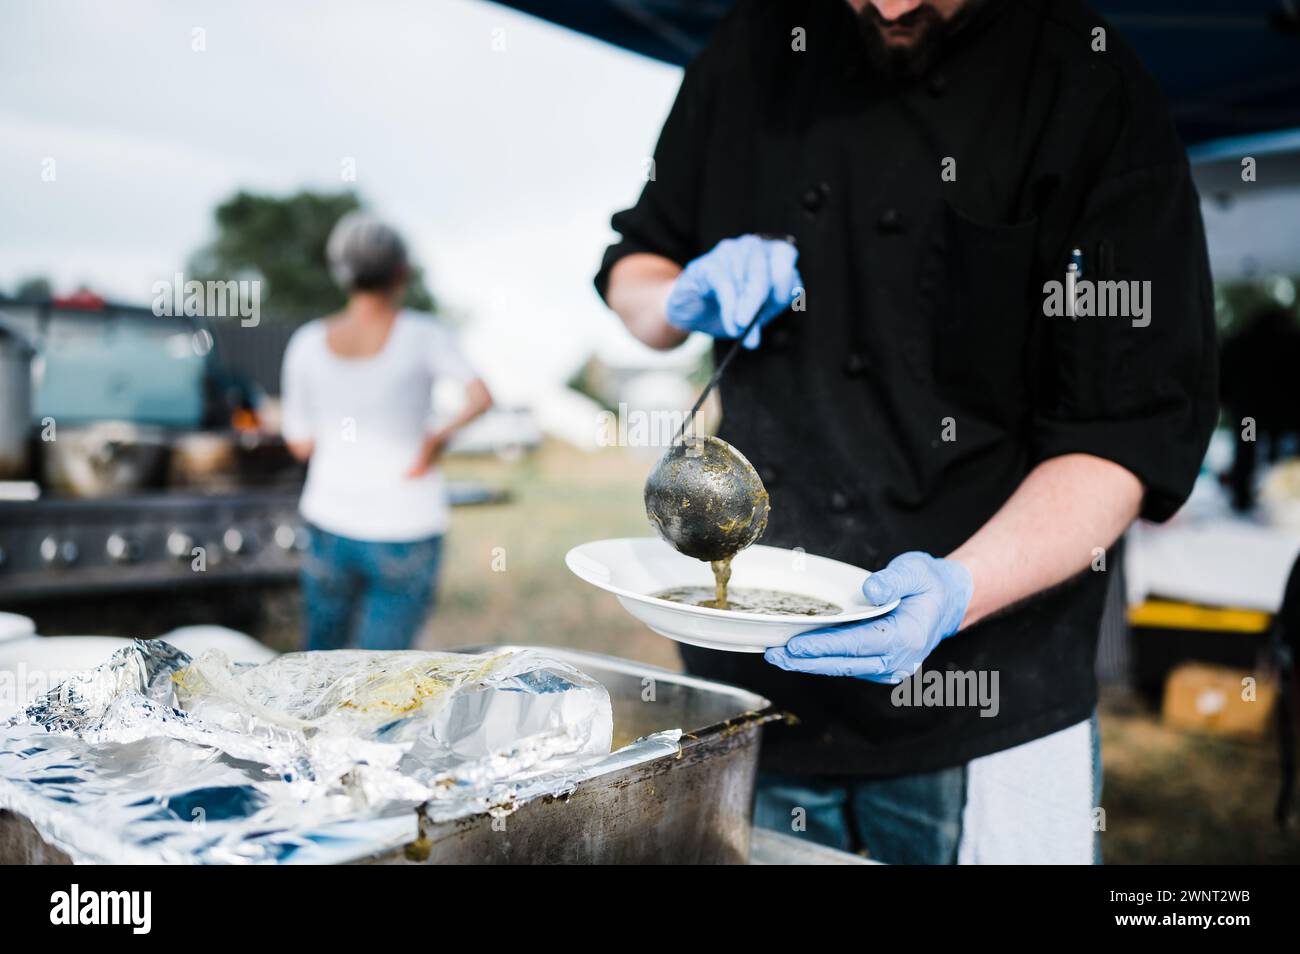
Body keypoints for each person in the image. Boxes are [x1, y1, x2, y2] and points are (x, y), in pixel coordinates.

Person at [598, 0, 1216, 863]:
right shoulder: (750, 49)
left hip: (989, 685)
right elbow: (637, 263)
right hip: (748, 688)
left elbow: (1127, 429)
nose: (891, 6)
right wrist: (677, 296)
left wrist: (958, 590)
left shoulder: (1089, 80)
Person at [280, 212, 493, 652]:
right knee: (385, 671)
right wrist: (436, 438)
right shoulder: (424, 334)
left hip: (329, 520)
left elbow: (300, 445)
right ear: (401, 273)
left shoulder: (305, 343)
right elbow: (481, 396)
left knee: (317, 665)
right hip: (406, 523)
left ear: (341, 273)